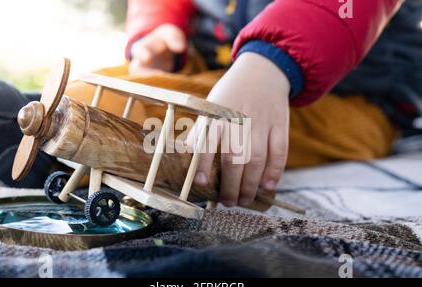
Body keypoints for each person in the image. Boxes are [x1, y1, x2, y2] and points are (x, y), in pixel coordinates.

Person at [120, 0, 404, 208]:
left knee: (129, 109)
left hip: (351, 95)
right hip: (215, 66)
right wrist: (158, 27)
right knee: (114, 84)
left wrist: (271, 61)